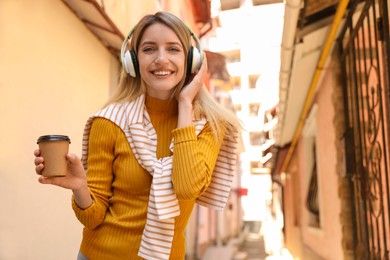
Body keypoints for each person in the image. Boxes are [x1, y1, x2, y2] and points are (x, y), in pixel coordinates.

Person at [34, 11, 241, 260]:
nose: (161, 59)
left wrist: (186, 103)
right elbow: (93, 217)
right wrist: (80, 187)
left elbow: (187, 187)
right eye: (149, 49)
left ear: (192, 61)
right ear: (133, 60)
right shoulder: (109, 121)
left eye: (173, 49)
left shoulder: (209, 126)